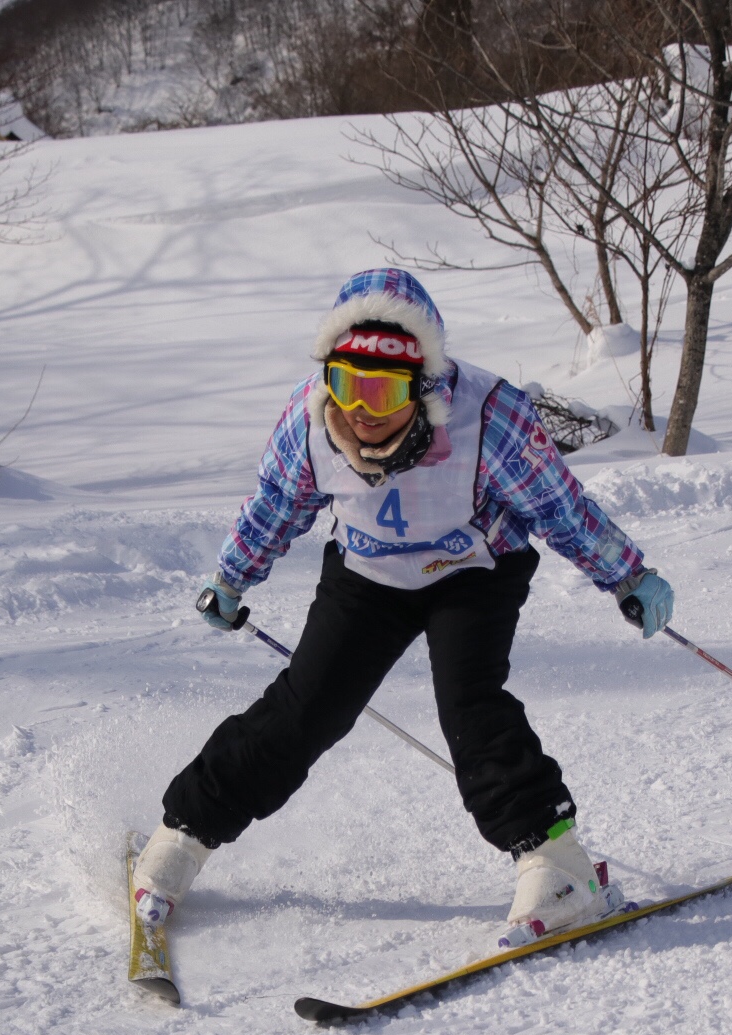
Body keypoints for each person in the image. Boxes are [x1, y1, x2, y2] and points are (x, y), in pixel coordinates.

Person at [131, 269, 675, 948]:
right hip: (368, 572)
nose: (360, 410)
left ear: (421, 385)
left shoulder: (490, 416)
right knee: (306, 708)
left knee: (470, 706)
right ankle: (185, 832)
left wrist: (628, 577)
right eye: (345, 384)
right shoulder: (309, 421)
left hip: (475, 569)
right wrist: (232, 577)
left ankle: (558, 865)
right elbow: (278, 503)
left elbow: (560, 508)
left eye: (383, 391)